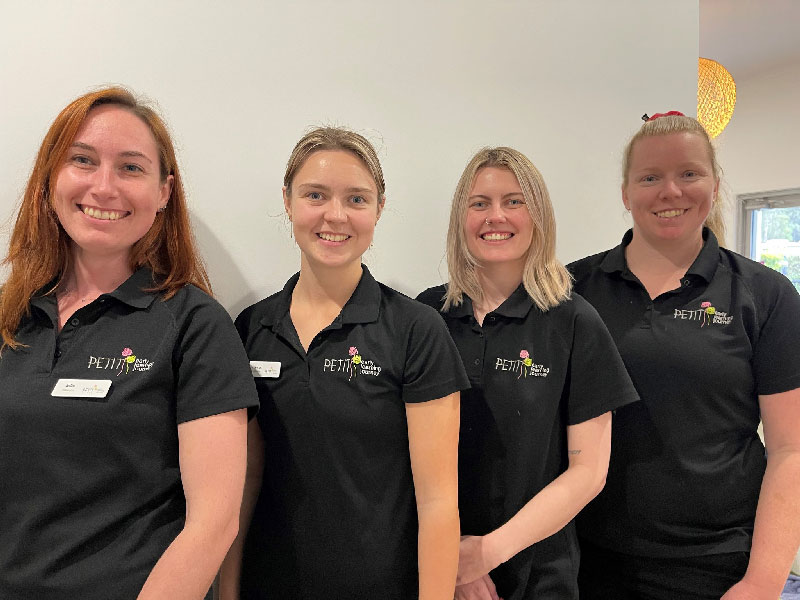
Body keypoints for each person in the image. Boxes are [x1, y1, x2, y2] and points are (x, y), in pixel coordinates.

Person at [0, 87, 258, 600]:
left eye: (131, 168)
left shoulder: (195, 325)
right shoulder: (11, 317)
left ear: (164, 192)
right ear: (50, 179)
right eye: (82, 160)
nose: (104, 186)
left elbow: (214, 526)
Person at [219, 127, 467, 600]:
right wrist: (227, 592)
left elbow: (437, 503)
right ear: (288, 201)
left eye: (356, 198)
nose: (335, 215)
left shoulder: (416, 330)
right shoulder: (251, 327)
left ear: (379, 208)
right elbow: (245, 480)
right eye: (316, 195)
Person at [569, 112, 800, 600]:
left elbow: (790, 450)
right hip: (585, 556)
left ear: (714, 185)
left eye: (688, 174)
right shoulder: (572, 290)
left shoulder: (766, 294)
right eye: (650, 177)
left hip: (715, 565)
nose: (669, 191)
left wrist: (762, 582)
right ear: (626, 192)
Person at [416, 147, 638, 600]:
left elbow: (588, 471)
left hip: (538, 575)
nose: (495, 216)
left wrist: (487, 553)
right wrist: (452, 558)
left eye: (513, 201)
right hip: (431, 567)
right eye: (479, 203)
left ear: (538, 215)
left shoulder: (573, 320)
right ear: (461, 217)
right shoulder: (427, 315)